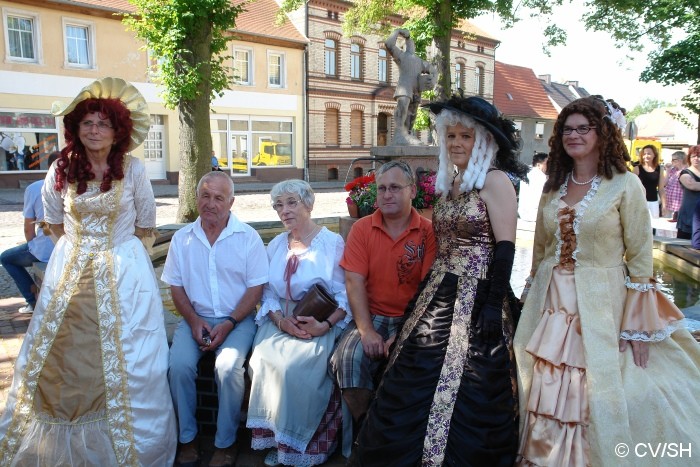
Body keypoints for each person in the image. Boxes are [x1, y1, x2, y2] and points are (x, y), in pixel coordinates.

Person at [514, 96, 700, 466]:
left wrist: (638, 327)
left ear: (602, 134)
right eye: (568, 129)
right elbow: (540, 248)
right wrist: (529, 293)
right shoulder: (553, 186)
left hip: (601, 302)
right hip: (550, 304)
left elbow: (641, 259)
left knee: (596, 387)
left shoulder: (625, 185)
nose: (574, 135)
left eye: (584, 128)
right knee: (540, 380)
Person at [0, 77, 176, 465]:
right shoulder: (60, 171)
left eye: (103, 124)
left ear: (117, 132)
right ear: (76, 130)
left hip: (123, 269)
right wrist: (79, 249)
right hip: (72, 269)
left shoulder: (133, 170)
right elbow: (53, 222)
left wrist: (121, 259)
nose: (95, 130)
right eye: (88, 123)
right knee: (58, 354)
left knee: (129, 355)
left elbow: (146, 223)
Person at [352, 95, 528, 466]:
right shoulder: (452, 184)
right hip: (440, 291)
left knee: (468, 388)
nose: (457, 143)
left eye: (466, 136)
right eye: (451, 136)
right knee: (411, 377)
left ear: (483, 141)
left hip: (480, 297)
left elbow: (506, 249)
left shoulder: (495, 181)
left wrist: (494, 306)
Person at [163, 171, 268, 467]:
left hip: (237, 320)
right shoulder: (182, 239)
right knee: (178, 366)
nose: (211, 203)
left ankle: (226, 442)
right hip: (194, 318)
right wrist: (194, 321)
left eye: (218, 198)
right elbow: (176, 286)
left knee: (228, 366)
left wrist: (230, 322)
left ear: (231, 202)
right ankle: (187, 439)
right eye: (205, 196)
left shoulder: (247, 237)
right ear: (197, 199)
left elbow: (256, 287)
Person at [331, 160, 436, 455]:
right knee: (348, 358)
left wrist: (402, 333)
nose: (387, 194)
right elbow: (354, 283)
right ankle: (367, 435)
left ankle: (405, 444)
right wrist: (366, 332)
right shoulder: (363, 229)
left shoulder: (428, 232)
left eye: (395, 187)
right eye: (382, 188)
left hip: (413, 318)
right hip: (372, 315)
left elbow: (429, 291)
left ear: (412, 191)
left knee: (414, 365)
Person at [246, 179, 350, 466]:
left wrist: (325, 326)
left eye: (292, 203)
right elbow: (267, 292)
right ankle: (279, 440)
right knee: (265, 359)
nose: (284, 210)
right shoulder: (277, 244)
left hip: (317, 321)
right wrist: (280, 322)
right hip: (280, 319)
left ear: (309, 204)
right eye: (279, 205)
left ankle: (304, 443)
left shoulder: (331, 243)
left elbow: (345, 295)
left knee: (296, 368)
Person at [0, 176, 55, 313]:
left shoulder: (36, 188)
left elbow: (28, 229)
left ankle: (32, 300)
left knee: (6, 258)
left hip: (47, 248)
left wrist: (34, 246)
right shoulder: (79, 186)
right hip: (71, 247)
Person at [385, 28, 436, 146]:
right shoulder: (401, 55)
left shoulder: (419, 61)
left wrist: (433, 79)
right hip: (405, 86)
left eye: (411, 41)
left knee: (412, 114)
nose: (411, 43)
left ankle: (407, 134)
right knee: (402, 107)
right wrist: (397, 31)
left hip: (416, 90)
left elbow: (433, 70)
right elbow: (388, 44)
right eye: (408, 41)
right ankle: (399, 133)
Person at [633, 144, 665, 219]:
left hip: (653, 201)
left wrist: (664, 205)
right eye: (644, 154)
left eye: (649, 154)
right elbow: (632, 187)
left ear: (654, 155)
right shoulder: (637, 168)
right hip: (639, 201)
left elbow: (661, 189)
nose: (646, 156)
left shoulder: (660, 169)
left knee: (653, 226)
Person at [676, 145, 700, 239]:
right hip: (689, 216)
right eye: (693, 156)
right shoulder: (685, 172)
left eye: (699, 156)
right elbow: (691, 185)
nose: (696, 159)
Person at [518, 152, 548, 222]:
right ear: (538, 165)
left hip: (522, 213)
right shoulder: (540, 176)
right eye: (546, 163)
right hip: (535, 214)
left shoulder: (526, 172)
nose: (548, 166)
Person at [661, 150, 687, 220]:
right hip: (668, 204)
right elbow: (664, 184)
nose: (671, 161)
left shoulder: (687, 171)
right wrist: (667, 170)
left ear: (680, 160)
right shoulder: (672, 170)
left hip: (679, 206)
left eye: (673, 160)